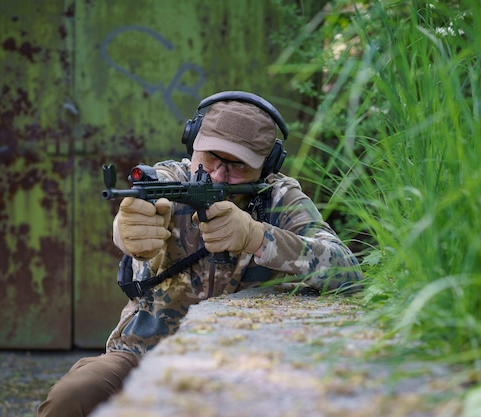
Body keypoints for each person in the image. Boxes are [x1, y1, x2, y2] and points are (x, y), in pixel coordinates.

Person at [37, 91, 363, 417]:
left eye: (237, 165)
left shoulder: (279, 197)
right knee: (70, 397)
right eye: (209, 158)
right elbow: (144, 200)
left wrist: (259, 237)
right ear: (193, 144)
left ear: (267, 166)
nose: (218, 175)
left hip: (243, 363)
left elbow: (348, 271)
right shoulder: (172, 179)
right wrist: (127, 227)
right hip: (144, 352)